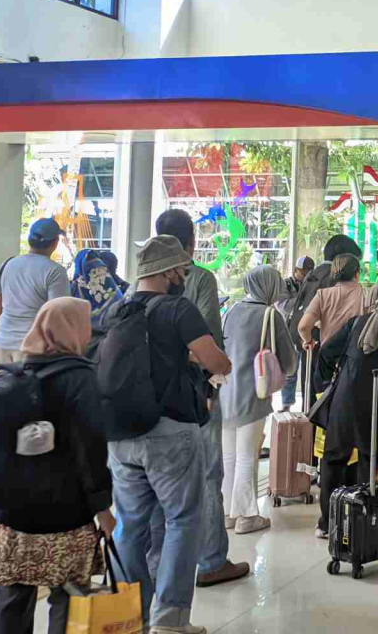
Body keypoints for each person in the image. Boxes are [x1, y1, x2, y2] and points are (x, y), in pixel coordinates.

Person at [107, 236, 233, 634]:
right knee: (182, 521)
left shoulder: (117, 309)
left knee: (130, 526)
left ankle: (134, 615)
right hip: (170, 433)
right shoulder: (178, 308)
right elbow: (219, 362)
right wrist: (195, 354)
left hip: (121, 434)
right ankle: (170, 620)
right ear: (165, 272)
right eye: (180, 270)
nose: (183, 276)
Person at [0, 297, 115, 634]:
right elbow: (90, 450)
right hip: (65, 518)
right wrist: (103, 509)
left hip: (12, 518)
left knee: (11, 603)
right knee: (68, 602)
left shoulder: (12, 374)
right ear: (73, 331)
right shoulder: (80, 378)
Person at [152, 210, 245, 589]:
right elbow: (209, 340)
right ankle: (210, 561)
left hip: (151, 394)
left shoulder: (141, 279)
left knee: (155, 476)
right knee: (208, 472)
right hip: (195, 391)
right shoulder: (200, 278)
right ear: (190, 243)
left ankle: (154, 566)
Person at [315, 280, 378, 538]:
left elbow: (325, 353)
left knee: (334, 460)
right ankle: (360, 518)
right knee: (370, 461)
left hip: (345, 401)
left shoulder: (356, 323)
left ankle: (327, 522)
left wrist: (326, 382)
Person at [218, 267, 297, 536]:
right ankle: (247, 516)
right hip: (253, 393)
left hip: (226, 393)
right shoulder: (270, 314)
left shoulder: (230, 310)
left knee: (228, 457)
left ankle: (228, 513)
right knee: (246, 457)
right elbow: (288, 361)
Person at [282, 236, 362, 410]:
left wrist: (307, 339)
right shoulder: (335, 278)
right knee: (329, 398)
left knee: (310, 395)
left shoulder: (313, 273)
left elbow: (301, 315)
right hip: (329, 347)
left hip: (308, 343)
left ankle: (308, 432)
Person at [0, 218, 69, 365]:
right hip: (33, 349)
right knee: (29, 389)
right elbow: (56, 316)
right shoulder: (55, 271)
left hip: (2, 344)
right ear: (55, 242)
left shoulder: (6, 265)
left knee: (1, 387)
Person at [299, 246, 366, 392]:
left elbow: (303, 326)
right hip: (356, 362)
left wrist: (308, 340)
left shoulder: (323, 295)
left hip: (328, 363)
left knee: (324, 402)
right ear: (357, 274)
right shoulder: (367, 296)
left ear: (334, 273)